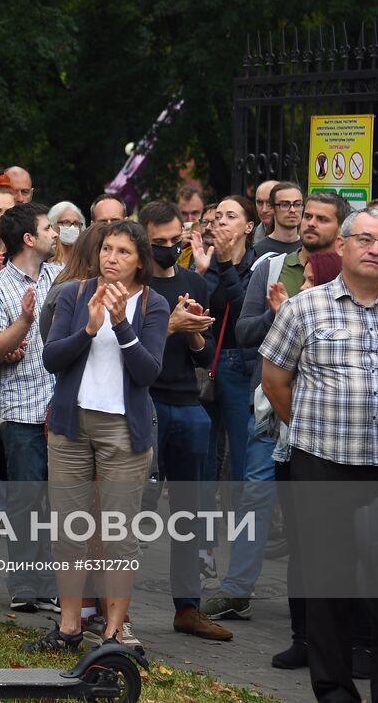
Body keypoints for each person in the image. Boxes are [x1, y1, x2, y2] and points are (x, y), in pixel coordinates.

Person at [261, 206, 378, 701]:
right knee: (329, 585)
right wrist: (314, 429)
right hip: (322, 465)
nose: (375, 250)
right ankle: (334, 691)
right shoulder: (303, 308)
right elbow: (275, 381)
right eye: (366, 240)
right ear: (343, 245)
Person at [202, 192, 348, 659]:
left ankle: (324, 605)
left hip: (328, 413)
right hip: (272, 404)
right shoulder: (269, 265)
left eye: (322, 218)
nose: (310, 223)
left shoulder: (349, 274)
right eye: (307, 215)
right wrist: (280, 311)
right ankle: (237, 588)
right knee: (256, 491)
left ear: (338, 231)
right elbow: (245, 335)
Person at [25, 221, 167, 652]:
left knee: (118, 533)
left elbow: (148, 373)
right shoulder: (74, 294)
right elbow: (52, 359)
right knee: (69, 529)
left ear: (140, 261)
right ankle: (69, 627)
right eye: (107, 249)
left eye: (124, 252)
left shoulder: (153, 304)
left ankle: (113, 633)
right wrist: (88, 329)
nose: (112, 258)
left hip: (124, 431)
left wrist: (122, 326)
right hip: (72, 425)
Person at [135, 202, 228, 641]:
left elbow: (204, 355)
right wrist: (168, 326)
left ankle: (187, 607)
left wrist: (193, 332)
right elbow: (128, 348)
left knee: (191, 509)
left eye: (176, 240)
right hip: (145, 402)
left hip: (188, 404)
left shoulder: (194, 282)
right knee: (134, 510)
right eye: (161, 243)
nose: (170, 249)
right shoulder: (132, 285)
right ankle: (114, 609)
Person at [0, 203, 60, 613]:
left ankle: (57, 583)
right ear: (28, 238)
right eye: (48, 228)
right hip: (22, 409)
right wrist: (23, 323)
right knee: (26, 500)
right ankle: (26, 585)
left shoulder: (60, 279)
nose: (55, 233)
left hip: (63, 408)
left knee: (62, 501)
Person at [191, 196, 258, 492]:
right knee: (203, 451)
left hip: (240, 365)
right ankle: (203, 530)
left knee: (242, 451)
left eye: (230, 216)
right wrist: (201, 274)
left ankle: (242, 527)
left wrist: (229, 264)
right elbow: (198, 309)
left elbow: (245, 312)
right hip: (207, 362)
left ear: (248, 226)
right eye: (217, 216)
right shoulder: (208, 260)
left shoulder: (259, 262)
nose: (221, 221)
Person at [252, 181, 303, 258]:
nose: (292, 210)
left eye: (297, 204)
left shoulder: (311, 249)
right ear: (273, 208)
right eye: (285, 205)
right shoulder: (256, 251)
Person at [47, 200, 85, 267]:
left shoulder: (85, 259)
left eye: (76, 223)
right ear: (53, 225)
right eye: (66, 222)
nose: (72, 227)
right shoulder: (44, 258)